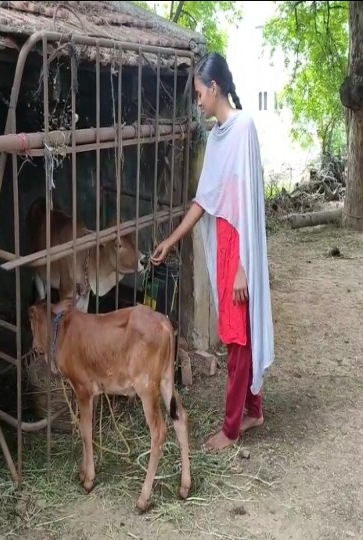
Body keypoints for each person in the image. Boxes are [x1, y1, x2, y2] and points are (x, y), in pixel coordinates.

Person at [150, 52, 275, 452]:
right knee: (238, 334)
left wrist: (243, 267)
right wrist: (172, 239)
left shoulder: (244, 129)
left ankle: (232, 427)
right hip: (224, 243)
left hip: (241, 248)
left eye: (200, 93)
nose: (198, 101)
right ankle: (253, 409)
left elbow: (249, 206)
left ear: (215, 88)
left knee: (238, 339)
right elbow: (204, 200)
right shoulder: (218, 137)